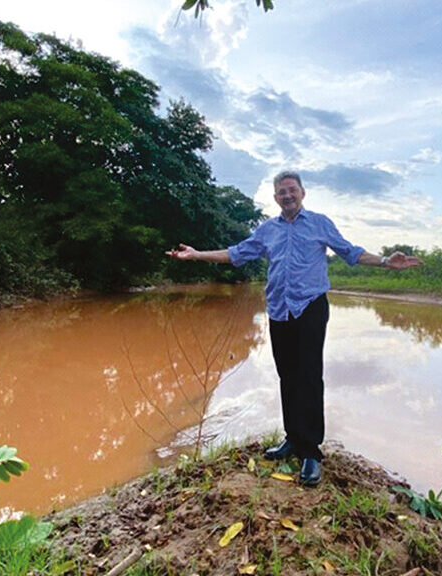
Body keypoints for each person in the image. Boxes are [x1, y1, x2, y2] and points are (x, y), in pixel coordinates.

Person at [167, 170, 420, 486]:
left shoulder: (319, 223)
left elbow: (351, 253)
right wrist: (195, 255)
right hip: (278, 309)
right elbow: (235, 254)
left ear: (302, 193)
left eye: (291, 190)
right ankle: (292, 438)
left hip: (310, 306)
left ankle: (311, 451)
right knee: (287, 374)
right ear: (275, 198)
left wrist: (385, 261)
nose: (287, 196)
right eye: (281, 192)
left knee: (309, 376)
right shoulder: (267, 230)